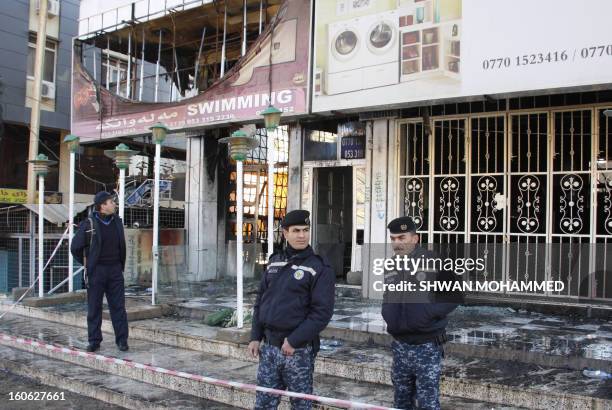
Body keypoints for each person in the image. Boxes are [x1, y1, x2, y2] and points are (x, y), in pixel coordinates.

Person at [248, 210, 335, 410]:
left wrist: (294, 340)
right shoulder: (274, 261)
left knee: (301, 405)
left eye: (305, 230)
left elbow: (321, 313)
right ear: (285, 233)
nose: (302, 235)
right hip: (269, 348)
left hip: (297, 350)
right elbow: (261, 300)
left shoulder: (319, 267)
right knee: (263, 404)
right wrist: (255, 336)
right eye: (296, 231)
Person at [381, 216, 461, 410]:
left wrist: (429, 311)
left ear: (415, 239)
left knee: (427, 403)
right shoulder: (391, 265)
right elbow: (388, 294)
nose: (397, 243)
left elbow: (455, 293)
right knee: (401, 401)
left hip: (426, 346)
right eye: (393, 239)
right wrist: (387, 311)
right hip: (400, 345)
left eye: (402, 238)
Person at [71, 191, 129, 353]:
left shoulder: (117, 222)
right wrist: (89, 265)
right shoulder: (89, 224)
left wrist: (119, 266)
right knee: (94, 307)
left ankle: (122, 340)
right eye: (111, 202)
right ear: (102, 206)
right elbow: (75, 247)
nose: (114, 204)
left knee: (118, 306)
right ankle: (94, 340)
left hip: (115, 270)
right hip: (97, 271)